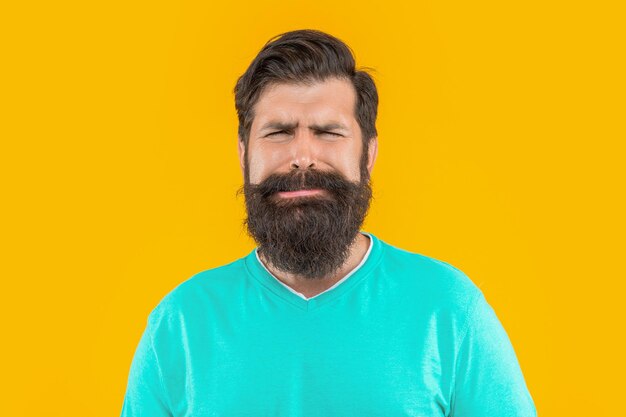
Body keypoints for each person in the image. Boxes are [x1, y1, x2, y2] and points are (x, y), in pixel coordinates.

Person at [120, 29, 536, 416]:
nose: (303, 155)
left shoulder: (448, 309)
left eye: (328, 132)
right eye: (279, 132)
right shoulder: (181, 323)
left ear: (368, 154)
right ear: (244, 152)